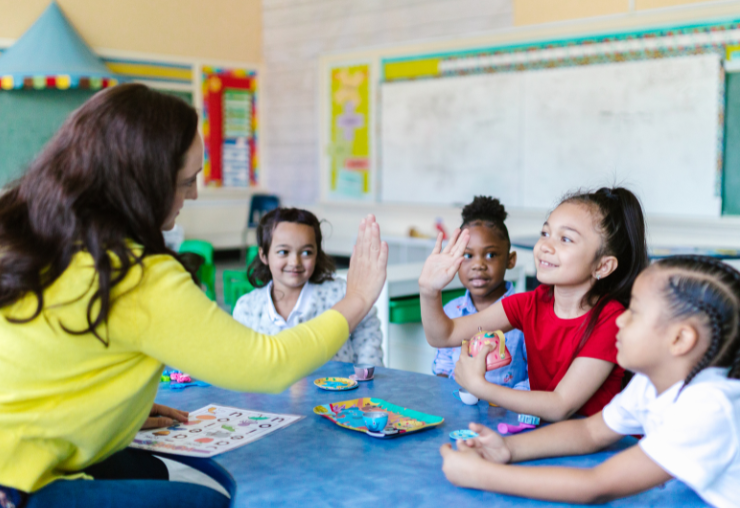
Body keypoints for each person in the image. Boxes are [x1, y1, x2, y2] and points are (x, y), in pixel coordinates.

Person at [0, 84, 388, 508]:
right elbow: (269, 365)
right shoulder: (133, 274)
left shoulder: (34, 235)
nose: (195, 194)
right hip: (13, 483)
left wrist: (114, 413)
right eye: (186, 182)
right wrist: (358, 297)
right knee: (204, 502)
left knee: (148, 469)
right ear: (141, 185)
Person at [440, 255, 740, 507]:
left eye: (635, 312)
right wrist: (508, 448)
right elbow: (590, 432)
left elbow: (596, 486)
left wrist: (480, 475)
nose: (621, 318)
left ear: (680, 338)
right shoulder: (650, 385)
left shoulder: (709, 407)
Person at [420, 188, 648, 420]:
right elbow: (444, 335)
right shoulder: (530, 303)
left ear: (602, 266)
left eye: (565, 239)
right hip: (545, 437)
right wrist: (429, 291)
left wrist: (481, 387)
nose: (545, 246)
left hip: (594, 452)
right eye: (545, 233)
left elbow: (560, 405)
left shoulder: (611, 320)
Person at [232, 207, 383, 366]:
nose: (295, 262)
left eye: (306, 253)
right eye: (283, 252)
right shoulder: (247, 308)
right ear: (264, 255)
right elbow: (241, 365)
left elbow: (368, 338)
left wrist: (366, 382)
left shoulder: (342, 294)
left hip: (338, 390)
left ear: (317, 254)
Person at [431, 196, 528, 390]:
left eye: (491, 255)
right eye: (467, 255)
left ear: (511, 260)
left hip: (507, 414)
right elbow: (443, 366)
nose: (478, 265)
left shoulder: (526, 315)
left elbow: (536, 378)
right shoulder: (451, 311)